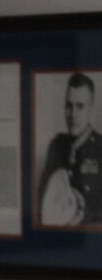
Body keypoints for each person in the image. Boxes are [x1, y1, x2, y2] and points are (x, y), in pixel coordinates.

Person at [39, 72, 102, 225]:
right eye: (69, 105)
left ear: (91, 109)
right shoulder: (56, 145)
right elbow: (42, 202)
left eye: (80, 106)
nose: (73, 114)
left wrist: (82, 212)